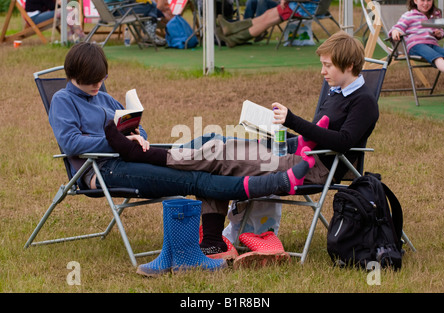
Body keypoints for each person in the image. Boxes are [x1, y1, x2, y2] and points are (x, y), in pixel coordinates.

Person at [104, 31, 380, 257]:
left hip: (315, 167)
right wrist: (275, 139)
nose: (322, 71)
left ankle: (143, 153)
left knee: (220, 154)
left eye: (327, 65)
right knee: (219, 142)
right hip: (298, 153)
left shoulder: (363, 102)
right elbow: (315, 134)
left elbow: (343, 142)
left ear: (349, 65)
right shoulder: (337, 91)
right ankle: (213, 241)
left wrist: (292, 121)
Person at [48, 42, 314, 261]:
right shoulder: (63, 100)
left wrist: (137, 136)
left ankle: (284, 153)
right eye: (91, 82)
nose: (97, 86)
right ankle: (273, 180)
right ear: (74, 76)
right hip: (104, 170)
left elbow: (141, 131)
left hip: (136, 154)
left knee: (212, 141)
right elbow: (71, 142)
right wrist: (117, 141)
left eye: (101, 79)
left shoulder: (103, 98)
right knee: (195, 176)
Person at [216, 0, 319, 47]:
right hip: (296, 6)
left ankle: (233, 37)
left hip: (301, 8)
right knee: (266, 14)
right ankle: (232, 31)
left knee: (265, 21)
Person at [389, 0, 444, 74]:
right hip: (416, 45)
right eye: (422, 0)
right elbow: (398, 27)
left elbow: (440, 30)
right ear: (415, 1)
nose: (426, 3)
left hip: (432, 45)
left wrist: (439, 33)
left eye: (429, 0)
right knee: (437, 57)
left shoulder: (435, 16)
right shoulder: (409, 15)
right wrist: (395, 31)